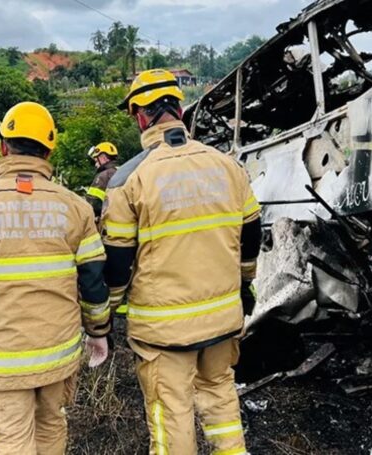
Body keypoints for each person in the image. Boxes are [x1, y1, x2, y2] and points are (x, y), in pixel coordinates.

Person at [0, 102, 111, 454]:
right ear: (48, 150)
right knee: (50, 431)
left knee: (11, 442)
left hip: (1, 362)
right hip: (58, 356)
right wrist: (99, 333)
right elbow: (93, 283)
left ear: (2, 146)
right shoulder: (76, 207)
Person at [102, 69, 262, 454]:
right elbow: (252, 236)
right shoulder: (227, 166)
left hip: (164, 329)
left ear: (141, 116)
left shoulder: (128, 180)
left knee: (171, 413)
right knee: (221, 398)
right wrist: (244, 287)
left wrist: (106, 310)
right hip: (223, 318)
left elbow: (118, 261)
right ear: (180, 111)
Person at [85, 142, 119, 220]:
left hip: (107, 222)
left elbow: (93, 203)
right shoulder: (120, 171)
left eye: (96, 161)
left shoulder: (103, 176)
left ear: (103, 157)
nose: (96, 164)